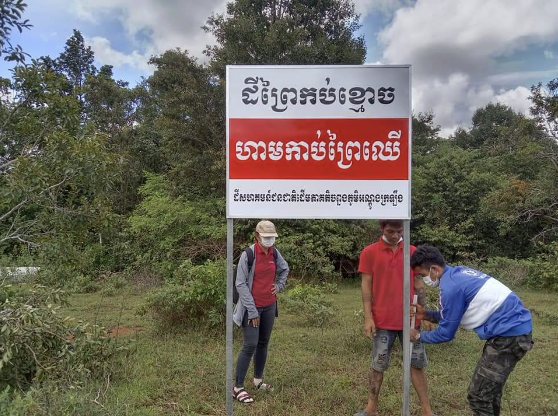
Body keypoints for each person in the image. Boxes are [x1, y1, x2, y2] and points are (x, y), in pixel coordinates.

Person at [409, 245, 533, 416]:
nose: (424, 279)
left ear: (434, 269)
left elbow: (446, 333)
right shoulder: (458, 273)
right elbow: (453, 315)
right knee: (490, 394)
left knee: (479, 396)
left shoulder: (450, 288)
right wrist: (427, 315)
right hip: (513, 330)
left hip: (509, 335)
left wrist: (418, 336)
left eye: (423, 275)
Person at [355, 220, 437, 416]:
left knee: (416, 364)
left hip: (410, 321)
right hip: (382, 321)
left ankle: (427, 411)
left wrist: (424, 314)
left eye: (399, 231)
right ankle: (371, 409)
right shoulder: (370, 252)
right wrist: (368, 317)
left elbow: (419, 285)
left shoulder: (413, 251)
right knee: (378, 365)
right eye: (390, 231)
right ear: (382, 229)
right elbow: (366, 287)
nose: (395, 235)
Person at [232, 220, 289, 404]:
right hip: (252, 307)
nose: (269, 240)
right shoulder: (248, 254)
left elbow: (285, 268)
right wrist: (252, 310)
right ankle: (238, 387)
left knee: (263, 343)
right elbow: (240, 283)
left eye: (272, 237)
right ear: (257, 236)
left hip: (269, 305)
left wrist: (279, 286)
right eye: (266, 237)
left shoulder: (274, 252)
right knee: (250, 345)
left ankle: (257, 381)